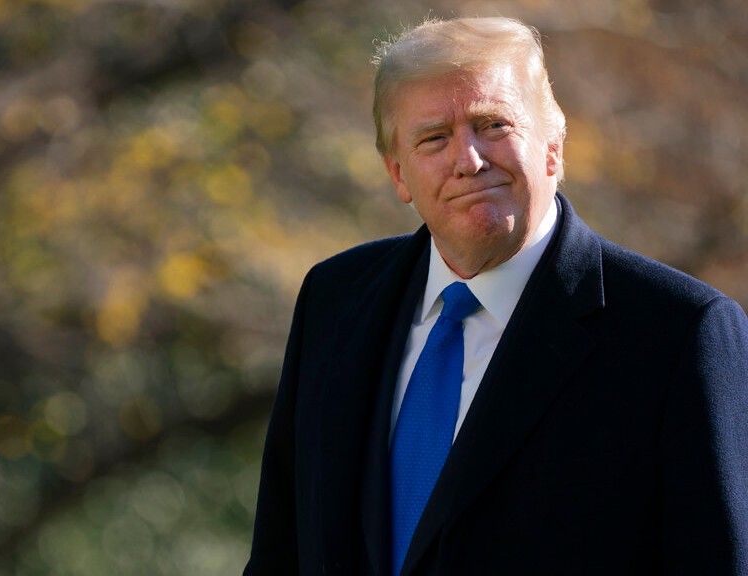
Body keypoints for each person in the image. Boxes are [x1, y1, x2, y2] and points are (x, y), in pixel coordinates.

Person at [244, 16, 748, 576]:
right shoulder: (333, 301)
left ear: (553, 148)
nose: (469, 160)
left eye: (492, 125)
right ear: (398, 174)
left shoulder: (678, 333)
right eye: (434, 138)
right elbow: (279, 552)